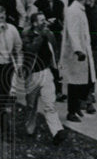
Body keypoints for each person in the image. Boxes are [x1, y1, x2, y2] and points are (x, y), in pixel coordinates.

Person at [18, 10, 67, 144]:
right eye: (41, 20)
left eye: (45, 19)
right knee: (31, 105)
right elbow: (30, 49)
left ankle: (57, 131)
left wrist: (57, 69)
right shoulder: (26, 34)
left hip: (46, 72)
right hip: (32, 74)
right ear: (34, 23)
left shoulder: (49, 34)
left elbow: (54, 51)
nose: (44, 22)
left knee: (49, 103)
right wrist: (41, 36)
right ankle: (30, 129)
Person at [59, 0, 95, 123]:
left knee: (82, 82)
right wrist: (78, 50)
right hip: (76, 54)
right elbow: (73, 32)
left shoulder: (79, 9)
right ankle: (71, 111)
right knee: (74, 84)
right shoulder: (73, 11)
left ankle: (76, 107)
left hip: (82, 51)